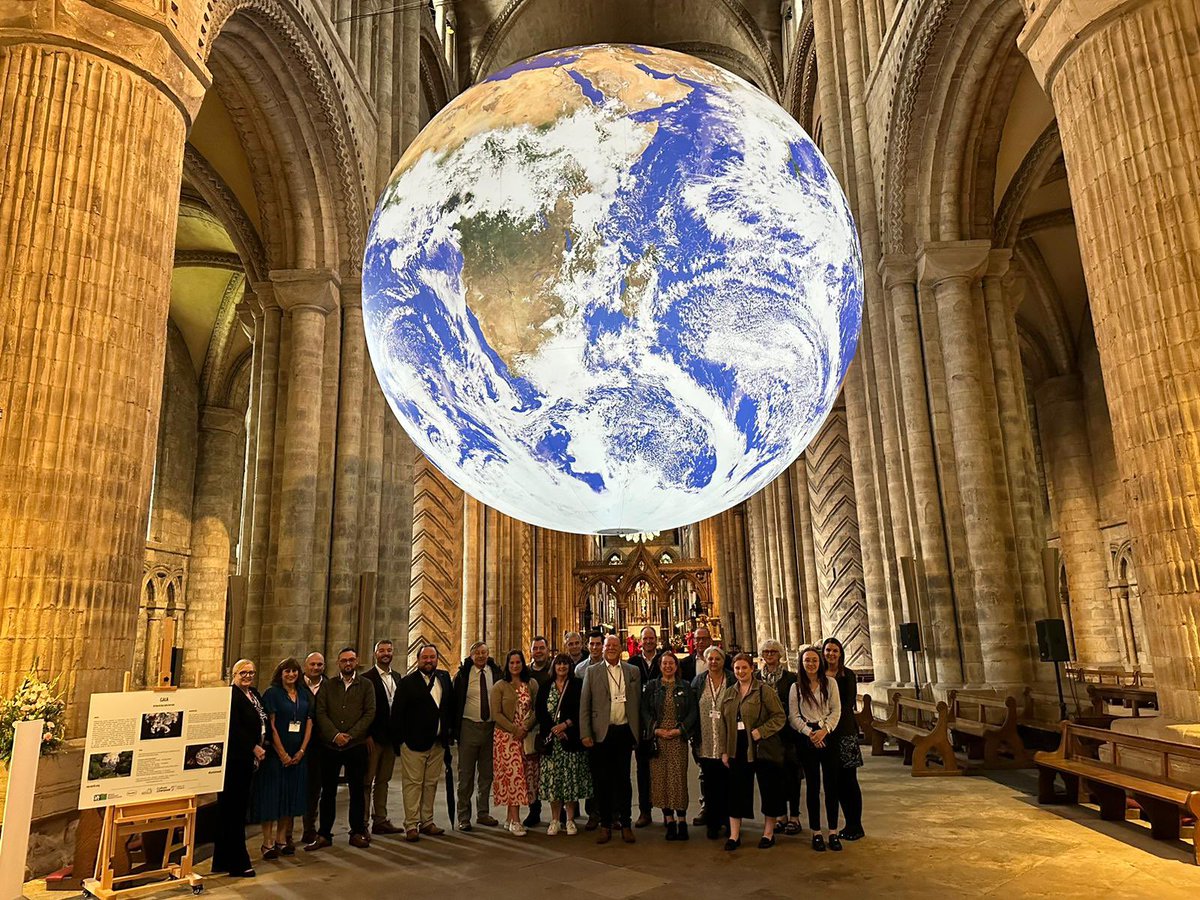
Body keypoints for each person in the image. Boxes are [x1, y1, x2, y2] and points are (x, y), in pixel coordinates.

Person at [308, 647, 375, 851]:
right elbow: (321, 712)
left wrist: (351, 735)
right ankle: (324, 834)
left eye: (351, 660)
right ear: (338, 663)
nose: (348, 663)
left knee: (356, 790)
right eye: (344, 660)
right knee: (328, 792)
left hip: (355, 746)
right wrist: (335, 735)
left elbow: (369, 712)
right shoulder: (328, 686)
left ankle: (356, 832)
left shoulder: (365, 685)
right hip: (330, 746)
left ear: (356, 662)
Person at [579, 634, 642, 844]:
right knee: (602, 781)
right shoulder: (592, 671)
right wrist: (585, 733)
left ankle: (625, 823)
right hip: (601, 733)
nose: (611, 648)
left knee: (623, 780)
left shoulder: (632, 671)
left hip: (624, 731)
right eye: (608, 645)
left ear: (621, 647)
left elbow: (637, 705)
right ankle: (605, 825)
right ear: (602, 649)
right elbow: (585, 705)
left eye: (615, 645)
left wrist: (637, 732)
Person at [720, 652, 786, 852]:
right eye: (737, 668)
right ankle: (734, 835)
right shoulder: (730, 692)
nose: (740, 671)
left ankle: (768, 833)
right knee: (736, 790)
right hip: (737, 747)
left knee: (768, 789)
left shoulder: (764, 690)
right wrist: (724, 750)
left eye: (744, 668)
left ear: (752, 669)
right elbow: (723, 723)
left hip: (759, 746)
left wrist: (762, 731)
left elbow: (779, 716)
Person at [254, 657, 312, 859]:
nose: (291, 674)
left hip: (298, 754)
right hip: (276, 756)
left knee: (290, 798)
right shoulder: (272, 694)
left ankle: (281, 839)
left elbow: (309, 722)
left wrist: (302, 751)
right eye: (287, 671)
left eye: (294, 671)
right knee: (272, 797)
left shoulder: (304, 694)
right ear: (280, 673)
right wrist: (282, 754)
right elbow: (271, 725)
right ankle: (267, 842)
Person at [396, 643, 455, 842]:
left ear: (437, 659)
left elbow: (448, 707)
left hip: (437, 743)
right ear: (417, 660)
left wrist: (449, 734)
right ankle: (411, 824)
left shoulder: (444, 679)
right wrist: (402, 741)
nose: (429, 661)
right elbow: (398, 713)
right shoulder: (407, 683)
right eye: (425, 658)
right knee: (413, 784)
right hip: (413, 743)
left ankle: (427, 821)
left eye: (432, 657)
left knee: (430, 783)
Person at [213, 659, 266, 878]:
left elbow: (261, 720)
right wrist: (253, 747)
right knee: (233, 813)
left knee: (235, 811)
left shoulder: (254, 694)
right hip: (234, 761)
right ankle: (238, 862)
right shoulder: (230, 695)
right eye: (243, 673)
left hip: (248, 761)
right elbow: (231, 728)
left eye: (251, 673)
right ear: (234, 674)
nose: (248, 676)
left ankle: (223, 860)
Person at [789, 646, 842, 852]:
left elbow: (836, 710)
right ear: (801, 664)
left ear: (820, 663)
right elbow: (793, 716)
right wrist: (809, 733)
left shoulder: (831, 683)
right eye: (807, 661)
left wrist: (824, 730)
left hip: (828, 736)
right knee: (812, 786)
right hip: (807, 738)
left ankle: (833, 831)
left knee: (831, 785)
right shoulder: (796, 687)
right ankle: (816, 832)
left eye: (814, 660)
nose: (811, 664)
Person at [641, 650, 697, 840]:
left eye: (671, 663)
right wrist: (655, 730)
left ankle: (682, 820)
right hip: (659, 738)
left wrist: (680, 730)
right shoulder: (652, 686)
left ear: (676, 666)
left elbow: (692, 712)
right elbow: (645, 711)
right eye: (664, 663)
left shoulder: (686, 687)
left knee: (678, 779)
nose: (667, 666)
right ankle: (669, 820)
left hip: (677, 738)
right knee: (661, 780)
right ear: (660, 666)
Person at [535, 653, 590, 835]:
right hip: (552, 742)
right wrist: (553, 729)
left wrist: (565, 725)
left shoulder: (577, 685)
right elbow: (540, 711)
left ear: (569, 667)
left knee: (570, 780)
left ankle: (571, 820)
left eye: (565, 664)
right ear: (554, 666)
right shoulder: (545, 686)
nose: (562, 667)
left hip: (570, 739)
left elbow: (581, 710)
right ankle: (555, 819)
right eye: (559, 664)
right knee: (553, 782)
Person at [451, 641, 501, 831]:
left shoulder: (495, 673)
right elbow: (455, 701)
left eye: (484, 652)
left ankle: (483, 813)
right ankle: (463, 816)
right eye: (477, 653)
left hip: (490, 728)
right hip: (468, 727)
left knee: (486, 775)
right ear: (471, 655)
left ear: (488, 654)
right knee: (465, 775)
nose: (481, 656)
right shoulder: (463, 675)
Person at [491, 649, 539, 835]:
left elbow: (536, 708)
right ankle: (516, 821)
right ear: (507, 665)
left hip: (526, 735)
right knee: (513, 778)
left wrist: (526, 726)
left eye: (518, 662)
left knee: (525, 776)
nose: (515, 666)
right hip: (506, 737)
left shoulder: (531, 683)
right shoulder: (500, 686)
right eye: (511, 663)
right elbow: (496, 714)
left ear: (523, 663)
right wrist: (514, 729)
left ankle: (510, 817)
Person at [758, 638, 801, 835]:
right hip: (767, 735)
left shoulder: (790, 678)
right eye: (766, 652)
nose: (769, 655)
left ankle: (794, 817)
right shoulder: (757, 677)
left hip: (788, 734)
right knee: (773, 776)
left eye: (773, 652)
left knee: (791, 774)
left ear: (780, 654)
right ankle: (780, 815)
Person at [823, 637, 864, 841]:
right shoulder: (819, 675)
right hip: (827, 734)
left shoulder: (847, 675)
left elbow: (847, 705)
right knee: (834, 782)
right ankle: (842, 824)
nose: (831, 654)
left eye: (835, 651)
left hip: (845, 733)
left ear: (840, 654)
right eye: (828, 650)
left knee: (849, 780)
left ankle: (855, 824)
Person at [691, 646, 734, 840]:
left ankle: (728, 821)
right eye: (711, 659)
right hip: (706, 740)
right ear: (706, 661)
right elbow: (692, 708)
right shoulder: (699, 681)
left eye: (718, 658)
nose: (714, 662)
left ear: (723, 661)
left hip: (727, 739)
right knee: (709, 783)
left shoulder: (731, 679)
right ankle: (713, 822)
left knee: (727, 783)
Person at [361, 639, 402, 835]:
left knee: (384, 781)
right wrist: (366, 735)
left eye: (389, 650)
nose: (385, 653)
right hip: (373, 739)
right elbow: (363, 710)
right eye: (381, 650)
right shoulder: (366, 678)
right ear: (375, 654)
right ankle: (362, 822)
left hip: (390, 739)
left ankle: (380, 820)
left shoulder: (397, 677)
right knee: (367, 781)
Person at [629, 625, 662, 827]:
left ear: (656, 640)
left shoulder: (664, 661)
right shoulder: (633, 663)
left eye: (651, 638)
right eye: (645, 638)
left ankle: (668, 811)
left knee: (665, 768)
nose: (648, 641)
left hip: (663, 722)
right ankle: (644, 811)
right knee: (642, 769)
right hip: (641, 724)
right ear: (640, 641)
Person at [574, 629, 604, 829]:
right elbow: (578, 703)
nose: (594, 647)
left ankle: (613, 812)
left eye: (598, 644)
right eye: (591, 644)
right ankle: (593, 813)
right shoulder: (580, 670)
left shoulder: (615, 667)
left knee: (612, 771)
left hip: (609, 726)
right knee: (591, 771)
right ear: (588, 645)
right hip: (589, 728)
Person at [524, 636, 552, 827]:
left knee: (552, 771)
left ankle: (561, 812)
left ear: (547, 650)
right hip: (531, 729)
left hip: (551, 728)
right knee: (532, 773)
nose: (539, 651)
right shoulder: (525, 672)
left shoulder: (554, 669)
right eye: (536, 648)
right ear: (531, 650)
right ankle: (535, 810)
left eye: (542, 648)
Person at [299, 652, 326, 845]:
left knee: (315, 789)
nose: (316, 668)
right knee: (295, 787)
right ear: (305, 666)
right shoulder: (296, 686)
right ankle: (286, 834)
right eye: (312, 664)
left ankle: (310, 829)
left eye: (319, 665)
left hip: (322, 745)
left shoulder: (330, 686)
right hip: (298, 744)